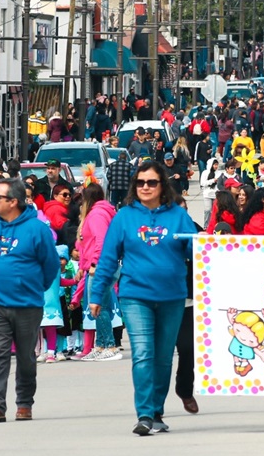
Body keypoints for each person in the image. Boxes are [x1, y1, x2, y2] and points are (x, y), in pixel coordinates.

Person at [92, 161, 197, 436]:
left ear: (163, 185)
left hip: (173, 297)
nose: (145, 187)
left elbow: (197, 254)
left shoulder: (179, 216)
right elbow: (107, 259)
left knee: (163, 358)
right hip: (135, 295)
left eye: (151, 182)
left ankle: (157, 411)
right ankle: (145, 413)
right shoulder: (124, 217)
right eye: (140, 183)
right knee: (142, 354)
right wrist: (96, 295)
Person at [0, 178, 61, 423]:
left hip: (27, 305)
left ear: (13, 201)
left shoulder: (37, 229)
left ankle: (24, 403)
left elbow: (51, 265)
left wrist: (33, 287)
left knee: (25, 357)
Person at [72, 184, 119, 362]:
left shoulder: (96, 215)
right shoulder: (101, 212)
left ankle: (110, 345)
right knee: (97, 305)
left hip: (100, 266)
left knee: (99, 306)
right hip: (102, 265)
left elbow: (101, 240)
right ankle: (100, 345)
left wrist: (94, 263)